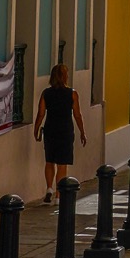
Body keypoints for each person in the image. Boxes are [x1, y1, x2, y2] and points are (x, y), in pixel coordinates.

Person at [33, 63, 86, 202]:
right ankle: (58, 194)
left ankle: (49, 188)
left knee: (49, 161)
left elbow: (40, 113)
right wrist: (82, 131)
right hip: (65, 131)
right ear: (63, 77)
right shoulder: (72, 94)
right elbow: (77, 115)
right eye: (66, 74)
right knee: (62, 164)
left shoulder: (46, 93)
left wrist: (36, 128)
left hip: (50, 130)